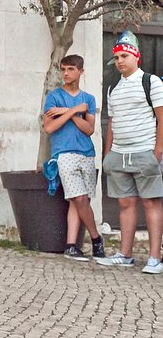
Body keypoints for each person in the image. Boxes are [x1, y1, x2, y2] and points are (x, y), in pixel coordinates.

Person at [97, 31, 163, 274]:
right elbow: (112, 122)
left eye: (124, 56)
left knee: (151, 203)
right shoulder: (113, 87)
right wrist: (107, 155)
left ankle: (155, 258)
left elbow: (161, 117)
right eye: (116, 58)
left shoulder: (152, 82)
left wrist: (158, 150)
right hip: (119, 154)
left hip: (145, 151)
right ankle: (125, 254)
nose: (120, 61)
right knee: (125, 203)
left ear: (136, 57)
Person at [42, 54, 105, 261]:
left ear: (81, 71)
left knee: (79, 201)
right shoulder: (53, 97)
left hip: (87, 153)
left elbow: (89, 129)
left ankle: (71, 246)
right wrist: (74, 111)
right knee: (78, 197)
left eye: (70, 69)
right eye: (63, 69)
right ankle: (96, 239)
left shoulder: (89, 99)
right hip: (63, 153)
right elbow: (50, 127)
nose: (65, 73)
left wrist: (68, 112)